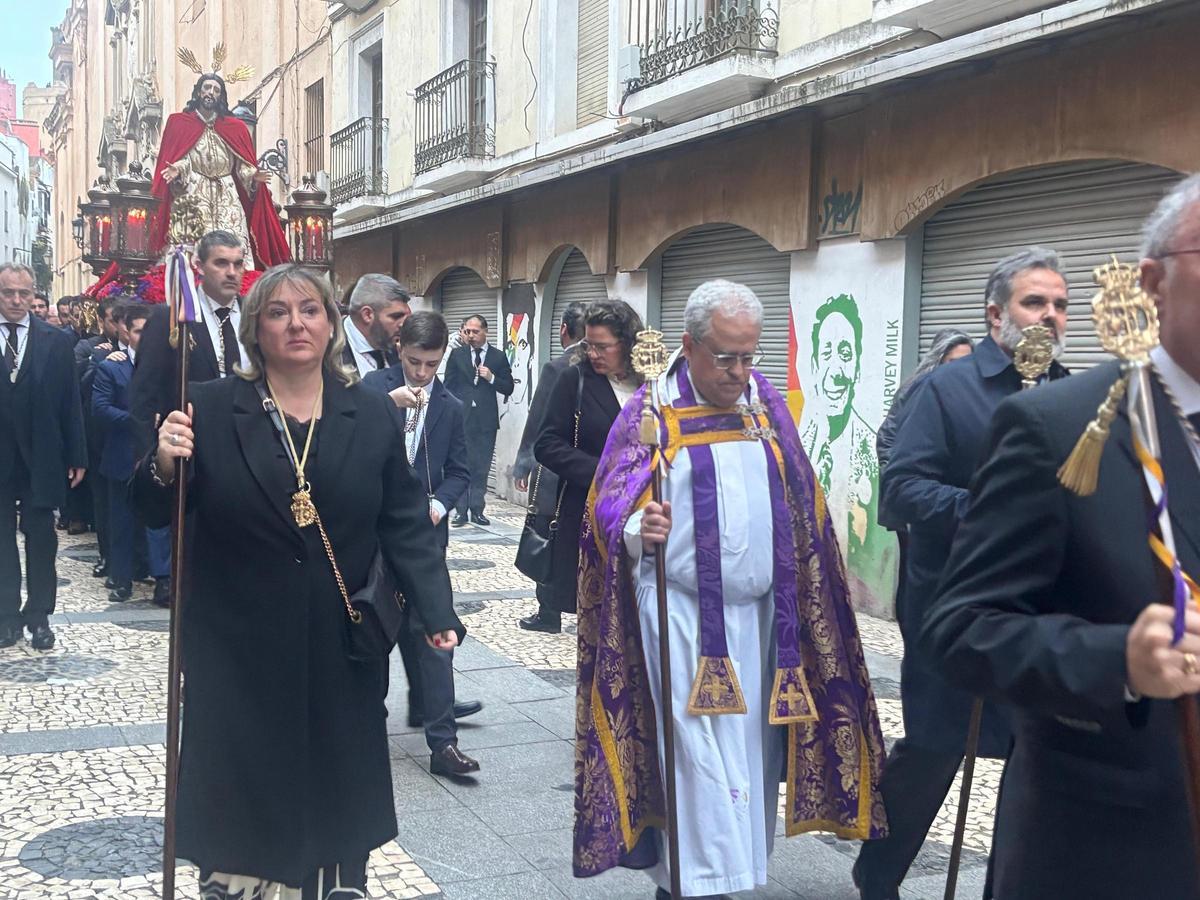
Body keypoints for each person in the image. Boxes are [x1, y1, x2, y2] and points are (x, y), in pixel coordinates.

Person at [133, 263, 463, 897]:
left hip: (341, 640)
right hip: (237, 646)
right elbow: (153, 510)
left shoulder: (365, 413)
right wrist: (163, 464)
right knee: (245, 788)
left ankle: (333, 885)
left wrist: (435, 611)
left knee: (335, 785)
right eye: (278, 312)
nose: (296, 323)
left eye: (310, 309)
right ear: (256, 329)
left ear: (332, 324)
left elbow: (403, 520)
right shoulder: (206, 404)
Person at [921, 175, 1200, 899]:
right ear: (1153, 281)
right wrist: (1118, 661)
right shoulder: (1057, 427)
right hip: (1116, 847)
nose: (1048, 316)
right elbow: (961, 630)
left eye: (1058, 303)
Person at [574, 280, 887, 898]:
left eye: (751, 355)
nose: (741, 371)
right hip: (683, 619)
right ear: (690, 345)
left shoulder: (763, 406)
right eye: (726, 357)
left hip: (763, 627)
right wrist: (641, 525)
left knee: (745, 766)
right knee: (696, 768)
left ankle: (724, 879)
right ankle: (687, 886)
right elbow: (604, 510)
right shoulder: (652, 410)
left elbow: (802, 502)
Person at [854, 248, 1070, 899]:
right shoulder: (946, 390)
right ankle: (879, 872)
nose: (1050, 317)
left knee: (1032, 756)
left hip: (1037, 611)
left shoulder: (1074, 393)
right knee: (937, 745)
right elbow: (902, 490)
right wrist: (989, 509)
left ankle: (1009, 884)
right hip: (948, 606)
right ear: (995, 313)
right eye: (1036, 302)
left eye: (1060, 305)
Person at [364, 310, 484, 776]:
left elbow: (460, 471)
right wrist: (386, 408)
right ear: (400, 351)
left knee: (436, 636)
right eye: (414, 361)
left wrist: (440, 505)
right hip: (372, 537)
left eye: (431, 364)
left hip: (426, 538)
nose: (421, 372)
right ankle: (367, 729)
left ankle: (443, 743)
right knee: (371, 632)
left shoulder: (450, 406)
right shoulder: (373, 389)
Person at [533, 300, 641, 624]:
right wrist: (603, 471)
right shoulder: (574, 380)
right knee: (597, 616)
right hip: (590, 513)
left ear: (626, 343)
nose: (594, 354)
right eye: (589, 345)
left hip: (645, 512)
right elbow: (546, 444)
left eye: (603, 347)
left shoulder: (651, 383)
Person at [0, 263, 87, 651]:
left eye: (24, 293)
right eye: (8, 293)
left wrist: (77, 454)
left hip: (44, 456)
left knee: (41, 540)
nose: (17, 301)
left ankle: (39, 616)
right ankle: (6, 617)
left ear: (34, 293)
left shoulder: (55, 341)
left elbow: (71, 403)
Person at [149, 67, 289, 268]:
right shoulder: (180, 123)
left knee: (232, 243)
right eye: (207, 87)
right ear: (198, 92)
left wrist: (252, 176)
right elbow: (184, 157)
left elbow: (241, 166)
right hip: (193, 191)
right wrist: (178, 169)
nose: (210, 93)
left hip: (227, 193)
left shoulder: (235, 127)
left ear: (221, 96)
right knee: (190, 247)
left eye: (216, 89)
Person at [132, 230, 248, 448]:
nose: (232, 272)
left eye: (238, 264)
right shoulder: (172, 319)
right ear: (200, 266)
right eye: (221, 263)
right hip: (190, 448)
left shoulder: (255, 316)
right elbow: (144, 395)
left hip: (250, 445)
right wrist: (147, 456)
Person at [512, 299, 589, 633]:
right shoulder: (608, 368)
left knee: (548, 530)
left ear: (563, 331)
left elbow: (538, 420)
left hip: (556, 469)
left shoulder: (558, 368)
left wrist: (523, 465)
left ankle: (548, 612)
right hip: (595, 468)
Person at [92, 304, 170, 605]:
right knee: (122, 521)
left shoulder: (167, 365)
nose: (145, 337)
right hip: (123, 453)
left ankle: (160, 577)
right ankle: (121, 578)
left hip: (158, 452)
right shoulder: (111, 365)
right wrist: (137, 419)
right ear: (126, 331)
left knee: (158, 521)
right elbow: (100, 408)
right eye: (139, 330)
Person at [443, 314, 514, 526]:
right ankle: (461, 511)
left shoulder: (498, 357)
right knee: (461, 465)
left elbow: (508, 386)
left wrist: (491, 377)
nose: (471, 335)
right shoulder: (457, 355)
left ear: (485, 332)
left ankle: (477, 509)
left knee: (481, 467)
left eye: (475, 331)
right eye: (467, 331)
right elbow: (448, 386)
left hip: (485, 422)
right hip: (462, 420)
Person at [875, 328, 973, 472]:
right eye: (954, 362)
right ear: (938, 361)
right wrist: (899, 481)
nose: (962, 368)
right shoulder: (915, 390)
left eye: (968, 362)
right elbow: (887, 440)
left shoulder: (973, 394)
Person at [342, 274, 408, 379]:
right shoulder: (326, 350)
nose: (403, 324)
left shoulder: (401, 348)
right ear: (367, 315)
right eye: (396, 316)